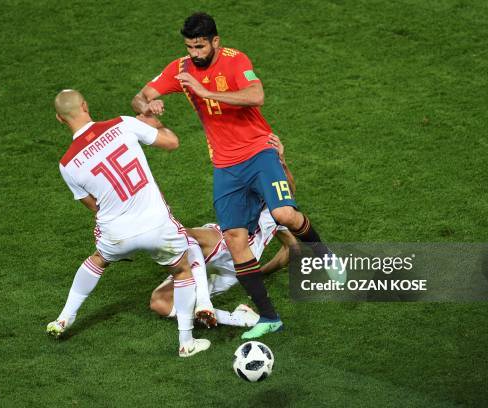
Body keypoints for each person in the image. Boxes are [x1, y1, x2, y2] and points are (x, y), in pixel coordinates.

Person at [132, 13, 341, 339]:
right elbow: (142, 94)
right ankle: (269, 317)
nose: (195, 54)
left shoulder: (235, 60)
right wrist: (147, 105)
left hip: (259, 151)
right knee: (234, 238)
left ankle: (327, 258)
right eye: (189, 47)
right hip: (225, 165)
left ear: (216, 42)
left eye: (200, 47)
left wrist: (206, 93)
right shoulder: (181, 68)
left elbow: (256, 95)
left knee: (284, 213)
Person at [47, 89, 210, 358]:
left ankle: (64, 317)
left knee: (99, 259)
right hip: (157, 224)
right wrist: (155, 124)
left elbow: (93, 206)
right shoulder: (122, 124)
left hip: (117, 232)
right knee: (182, 271)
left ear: (60, 119)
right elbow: (172, 143)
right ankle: (186, 342)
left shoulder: (67, 164)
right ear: (86, 105)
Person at [150, 134, 298, 328]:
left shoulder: (274, 208)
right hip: (233, 270)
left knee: (181, 236)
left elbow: (291, 247)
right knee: (160, 303)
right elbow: (292, 248)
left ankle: (203, 299)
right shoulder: (280, 212)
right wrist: (259, 272)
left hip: (226, 245)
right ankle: (237, 318)